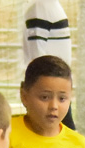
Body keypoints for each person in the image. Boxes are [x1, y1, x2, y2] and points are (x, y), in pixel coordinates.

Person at [22, 0, 74, 130]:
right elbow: (38, 58)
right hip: (49, 86)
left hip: (54, 85)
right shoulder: (40, 8)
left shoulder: (43, 7)